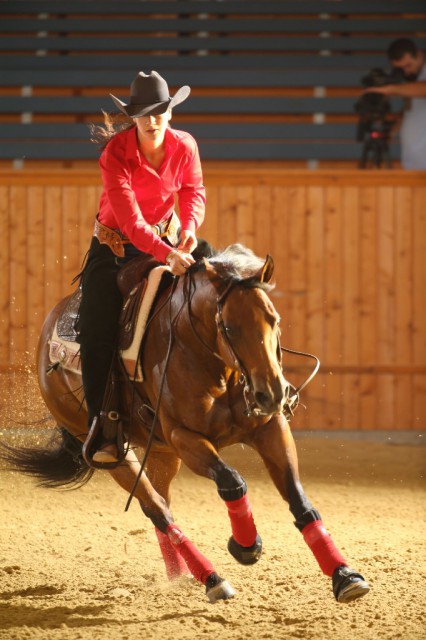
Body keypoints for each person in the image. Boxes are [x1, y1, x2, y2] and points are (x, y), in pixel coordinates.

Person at [78, 71, 206, 465]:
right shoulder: (114, 153)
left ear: (170, 112)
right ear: (132, 118)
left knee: (218, 282)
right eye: (145, 114)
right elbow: (131, 223)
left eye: (160, 112)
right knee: (96, 329)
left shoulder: (185, 144)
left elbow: (193, 191)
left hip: (168, 240)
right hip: (115, 248)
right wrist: (167, 254)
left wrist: (189, 229)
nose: (153, 120)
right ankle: (101, 425)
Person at [364, 38, 426, 169]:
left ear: (419, 54)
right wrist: (393, 128)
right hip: (413, 160)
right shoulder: (413, 80)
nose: (406, 71)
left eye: (409, 65)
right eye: (400, 69)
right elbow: (413, 108)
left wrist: (392, 89)